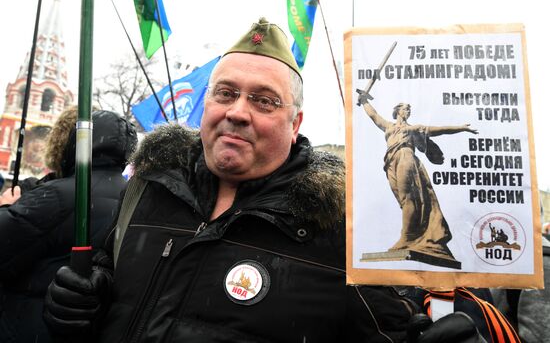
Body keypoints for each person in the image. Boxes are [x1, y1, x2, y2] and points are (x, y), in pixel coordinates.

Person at [44, 18, 488, 342]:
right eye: (226, 93)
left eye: (263, 100)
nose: (237, 111)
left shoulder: (341, 232)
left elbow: (390, 333)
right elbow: (109, 270)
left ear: (295, 124)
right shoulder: (148, 188)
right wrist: (84, 297)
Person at [0, 107, 137, 343]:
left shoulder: (61, 195)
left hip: (31, 324)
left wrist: (5, 206)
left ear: (75, 142)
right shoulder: (134, 198)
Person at [358, 99, 478, 263]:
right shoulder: (388, 126)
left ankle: (407, 237)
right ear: (398, 110)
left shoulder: (413, 129)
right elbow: (373, 115)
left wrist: (461, 128)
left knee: (408, 198)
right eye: (405, 108)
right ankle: (414, 234)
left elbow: (438, 130)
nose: (408, 111)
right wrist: (364, 100)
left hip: (406, 156)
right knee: (403, 201)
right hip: (389, 162)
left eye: (409, 109)